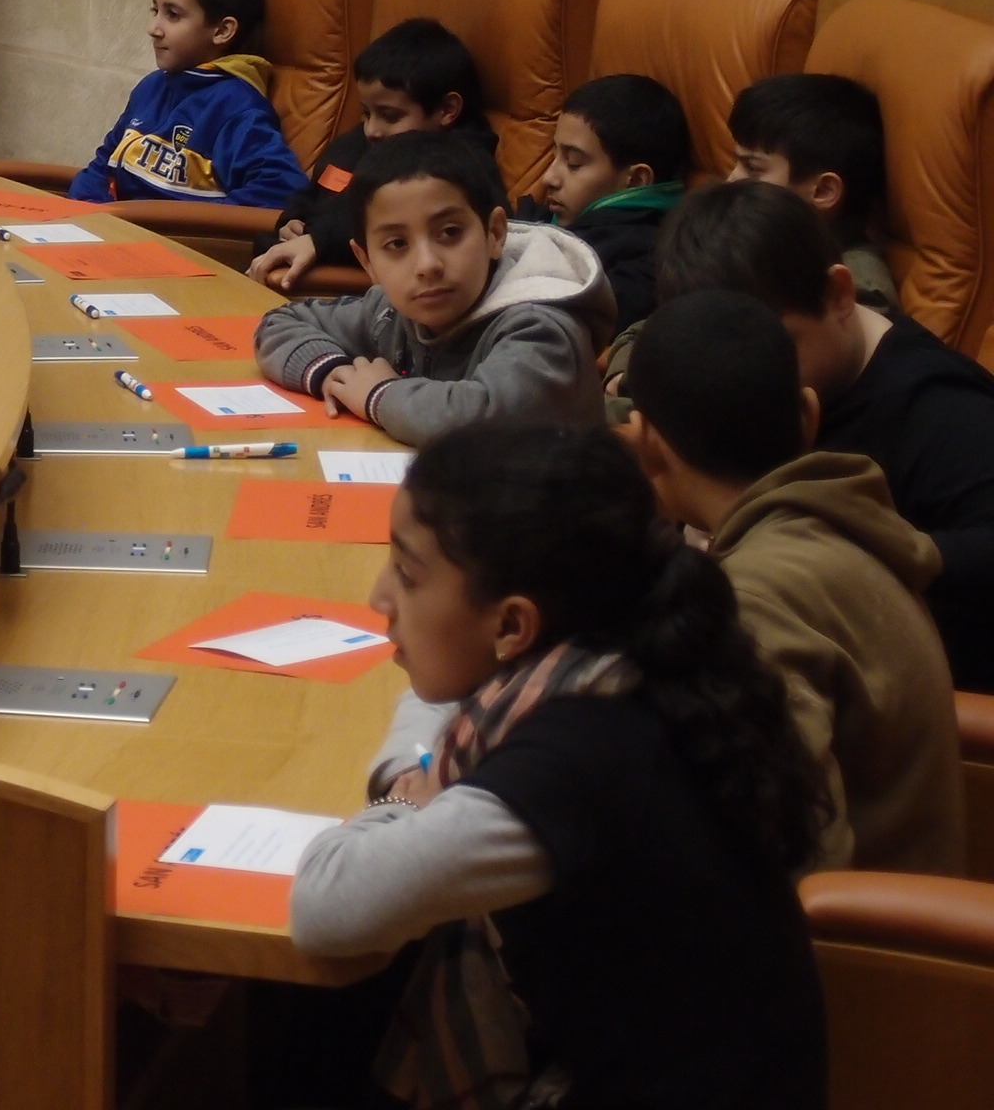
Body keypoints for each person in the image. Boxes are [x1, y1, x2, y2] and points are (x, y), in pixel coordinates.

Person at [287, 422, 829, 1110]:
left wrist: (399, 801)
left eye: (408, 573)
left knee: (316, 1041)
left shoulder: (579, 763)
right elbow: (435, 710)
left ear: (512, 626)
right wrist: (417, 767)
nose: (379, 599)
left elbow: (327, 906)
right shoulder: (623, 673)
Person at [623, 290, 964, 873]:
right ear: (809, 415)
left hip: (858, 953)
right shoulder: (854, 524)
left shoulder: (753, 603)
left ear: (648, 443)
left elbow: (796, 864)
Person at [655, 180, 994, 689]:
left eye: (776, 347)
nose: (747, 379)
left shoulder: (945, 412)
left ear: (839, 294)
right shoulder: (778, 381)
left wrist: (841, 551)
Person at [255, 132, 612, 443]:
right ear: (367, 262)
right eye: (396, 244)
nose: (427, 265)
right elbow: (278, 323)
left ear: (495, 234)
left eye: (450, 233)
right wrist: (334, 373)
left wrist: (379, 395)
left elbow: (482, 420)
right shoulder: (387, 310)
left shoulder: (540, 328)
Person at [248, 17, 494, 290]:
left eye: (390, 116)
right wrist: (294, 219)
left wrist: (319, 241)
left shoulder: (463, 165)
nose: (372, 130)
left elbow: (397, 220)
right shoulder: (361, 141)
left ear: (447, 110)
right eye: (366, 113)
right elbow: (314, 190)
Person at [67, 0, 306, 210]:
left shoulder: (237, 108)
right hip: (111, 233)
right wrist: (90, 212)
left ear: (222, 30)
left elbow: (280, 189)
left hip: (169, 243)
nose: (153, 29)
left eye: (173, 15)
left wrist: (185, 227)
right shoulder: (152, 87)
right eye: (154, 11)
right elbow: (103, 165)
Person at [529, 72, 693, 334]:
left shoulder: (646, 266)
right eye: (555, 155)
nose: (549, 177)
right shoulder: (545, 215)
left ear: (636, 180)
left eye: (574, 163)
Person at [728, 72, 898, 306]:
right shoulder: (771, 248)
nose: (731, 180)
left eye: (753, 168)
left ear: (823, 191)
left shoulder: (855, 293)